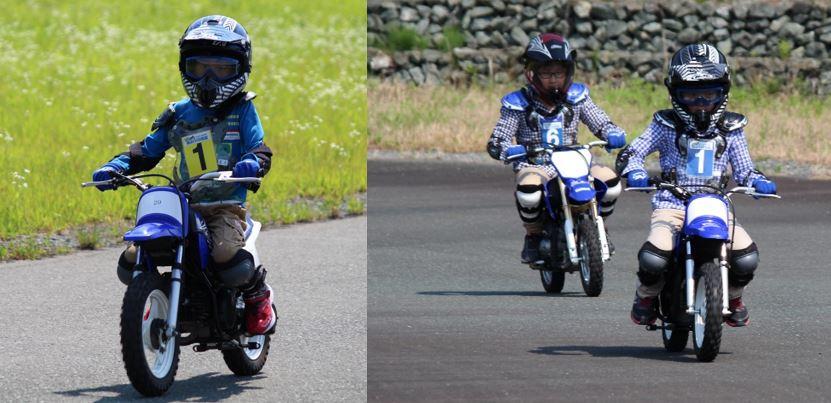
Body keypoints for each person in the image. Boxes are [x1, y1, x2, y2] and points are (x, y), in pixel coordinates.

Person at [91, 15, 276, 335]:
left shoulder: (243, 109)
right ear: (184, 67)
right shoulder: (178, 113)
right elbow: (147, 151)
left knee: (227, 256)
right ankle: (159, 299)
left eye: (220, 69)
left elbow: (259, 148)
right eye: (199, 67)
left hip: (224, 205)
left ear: (240, 69)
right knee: (131, 259)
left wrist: (252, 164)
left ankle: (258, 295)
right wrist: (116, 167)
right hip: (181, 203)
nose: (208, 79)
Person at [619, 43, 777, 327]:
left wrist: (759, 181)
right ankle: (645, 296)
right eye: (691, 95)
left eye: (709, 94)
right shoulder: (665, 124)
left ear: (723, 92)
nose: (701, 103)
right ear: (675, 93)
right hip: (672, 204)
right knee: (654, 256)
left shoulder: (731, 128)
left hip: (715, 205)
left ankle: (733, 297)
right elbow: (632, 153)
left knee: (746, 257)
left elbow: (745, 169)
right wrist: (635, 172)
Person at [487, 33, 626, 265]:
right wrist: (505, 149)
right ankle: (533, 235)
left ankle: (598, 225)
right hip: (535, 164)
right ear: (532, 73)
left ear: (568, 73)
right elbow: (499, 138)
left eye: (559, 73)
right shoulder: (518, 102)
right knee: (529, 190)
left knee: (611, 182)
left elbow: (600, 122)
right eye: (546, 73)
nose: (553, 80)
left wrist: (612, 133)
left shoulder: (577, 97)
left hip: (575, 161)